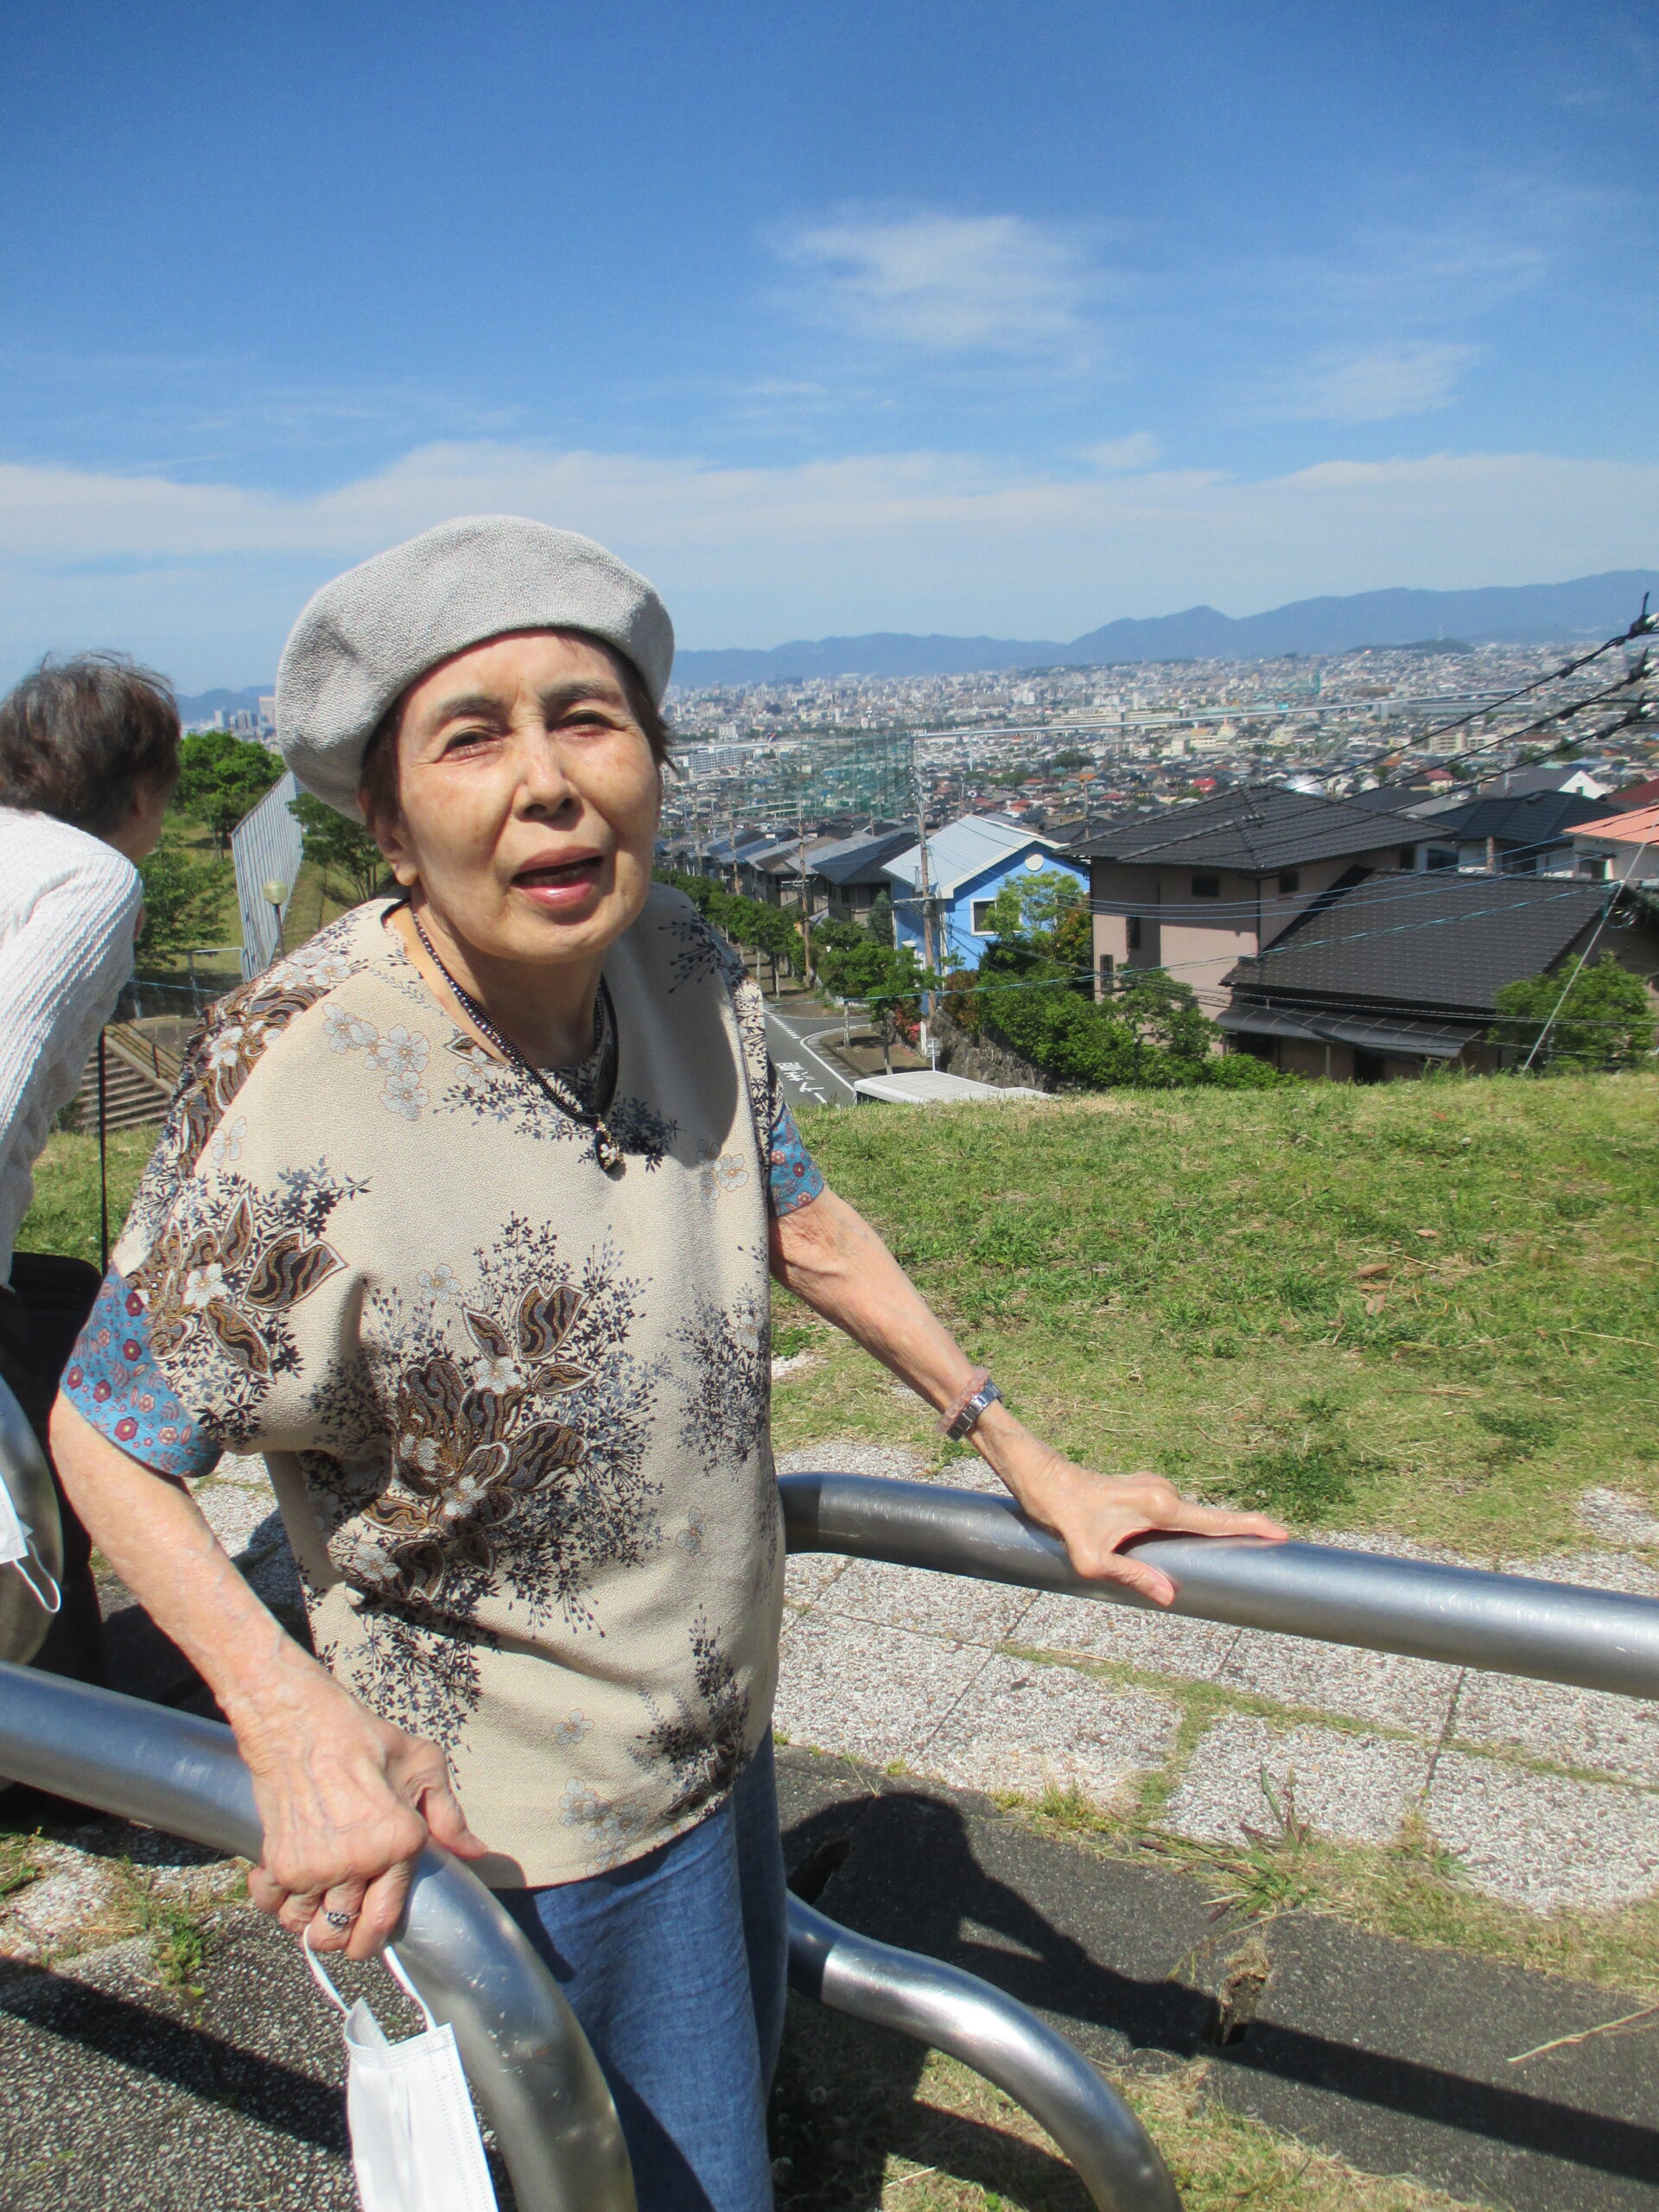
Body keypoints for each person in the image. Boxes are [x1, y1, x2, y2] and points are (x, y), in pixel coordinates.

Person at [49, 518, 1283, 2212]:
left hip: (711, 1729)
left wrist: (1024, 1454)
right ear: (392, 825)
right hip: (500, 1820)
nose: (548, 782)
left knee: (710, 2143)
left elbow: (800, 1213)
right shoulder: (299, 1076)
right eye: (471, 734)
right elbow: (107, 1431)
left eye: (591, 718)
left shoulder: (681, 958)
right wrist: (290, 1727)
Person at [0, 652, 179, 1681]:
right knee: (35, 1441)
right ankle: (57, 1742)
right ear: (141, 784)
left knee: (75, 1308)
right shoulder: (91, 875)